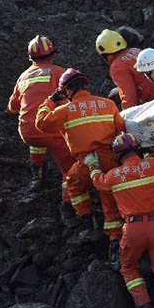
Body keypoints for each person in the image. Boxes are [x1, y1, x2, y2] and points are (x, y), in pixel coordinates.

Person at [85, 132, 154, 308]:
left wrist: (92, 164)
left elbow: (98, 181)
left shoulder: (115, 176)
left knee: (129, 268)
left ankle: (144, 304)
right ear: (138, 149)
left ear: (117, 155)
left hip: (132, 229)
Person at [35, 69, 125, 251]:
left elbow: (41, 123)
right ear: (85, 84)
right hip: (109, 157)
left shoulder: (65, 110)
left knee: (73, 184)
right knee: (109, 197)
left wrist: (49, 102)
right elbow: (121, 130)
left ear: (65, 90)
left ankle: (86, 219)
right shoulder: (108, 104)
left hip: (85, 161)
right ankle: (115, 239)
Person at [6, 36, 74, 213]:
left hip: (28, 133)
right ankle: (69, 204)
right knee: (69, 167)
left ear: (30, 58)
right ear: (53, 54)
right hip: (52, 135)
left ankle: (38, 173)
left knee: (37, 136)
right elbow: (70, 102)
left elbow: (12, 107)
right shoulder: (60, 73)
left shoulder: (23, 76)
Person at [95, 29, 154, 109]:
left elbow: (129, 95)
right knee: (115, 92)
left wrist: (128, 117)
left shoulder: (117, 67)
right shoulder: (135, 51)